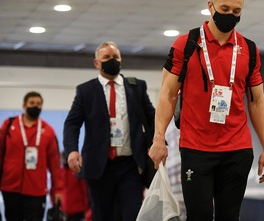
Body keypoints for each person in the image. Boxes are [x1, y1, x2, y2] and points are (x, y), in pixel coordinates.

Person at [149, 0, 264, 221]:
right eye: (224, 9)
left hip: (237, 149)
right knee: (200, 215)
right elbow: (168, 94)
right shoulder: (186, 45)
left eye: (236, 12)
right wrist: (158, 138)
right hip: (196, 149)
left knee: (230, 216)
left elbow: (257, 101)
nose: (230, 16)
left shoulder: (248, 49)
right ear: (211, 6)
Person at [63, 41, 155, 221]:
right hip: (99, 166)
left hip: (130, 165)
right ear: (96, 63)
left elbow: (152, 118)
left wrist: (158, 143)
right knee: (102, 215)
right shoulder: (86, 91)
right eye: (106, 57)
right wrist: (72, 151)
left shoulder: (137, 87)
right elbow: (72, 124)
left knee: (132, 214)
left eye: (115, 57)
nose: (112, 60)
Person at [0, 91, 62, 221]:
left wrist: (57, 190)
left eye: (39, 104)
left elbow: (55, 165)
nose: (35, 106)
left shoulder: (48, 131)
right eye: (32, 103)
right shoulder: (9, 125)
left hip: (37, 190)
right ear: (24, 105)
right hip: (10, 188)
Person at [60, 151, 91, 221]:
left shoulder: (77, 171)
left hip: (78, 210)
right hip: (65, 210)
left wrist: (86, 207)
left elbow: (84, 190)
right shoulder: (61, 172)